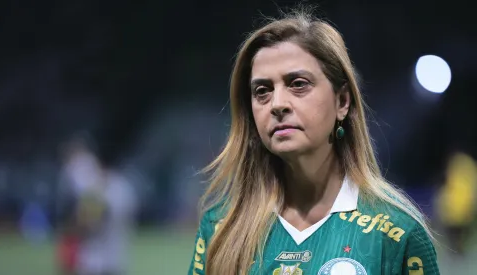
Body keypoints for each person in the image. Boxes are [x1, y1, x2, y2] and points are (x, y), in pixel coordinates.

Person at [188, 6, 440, 275]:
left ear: (342, 101)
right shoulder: (219, 228)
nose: (277, 104)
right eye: (262, 91)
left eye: (298, 84)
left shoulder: (398, 232)